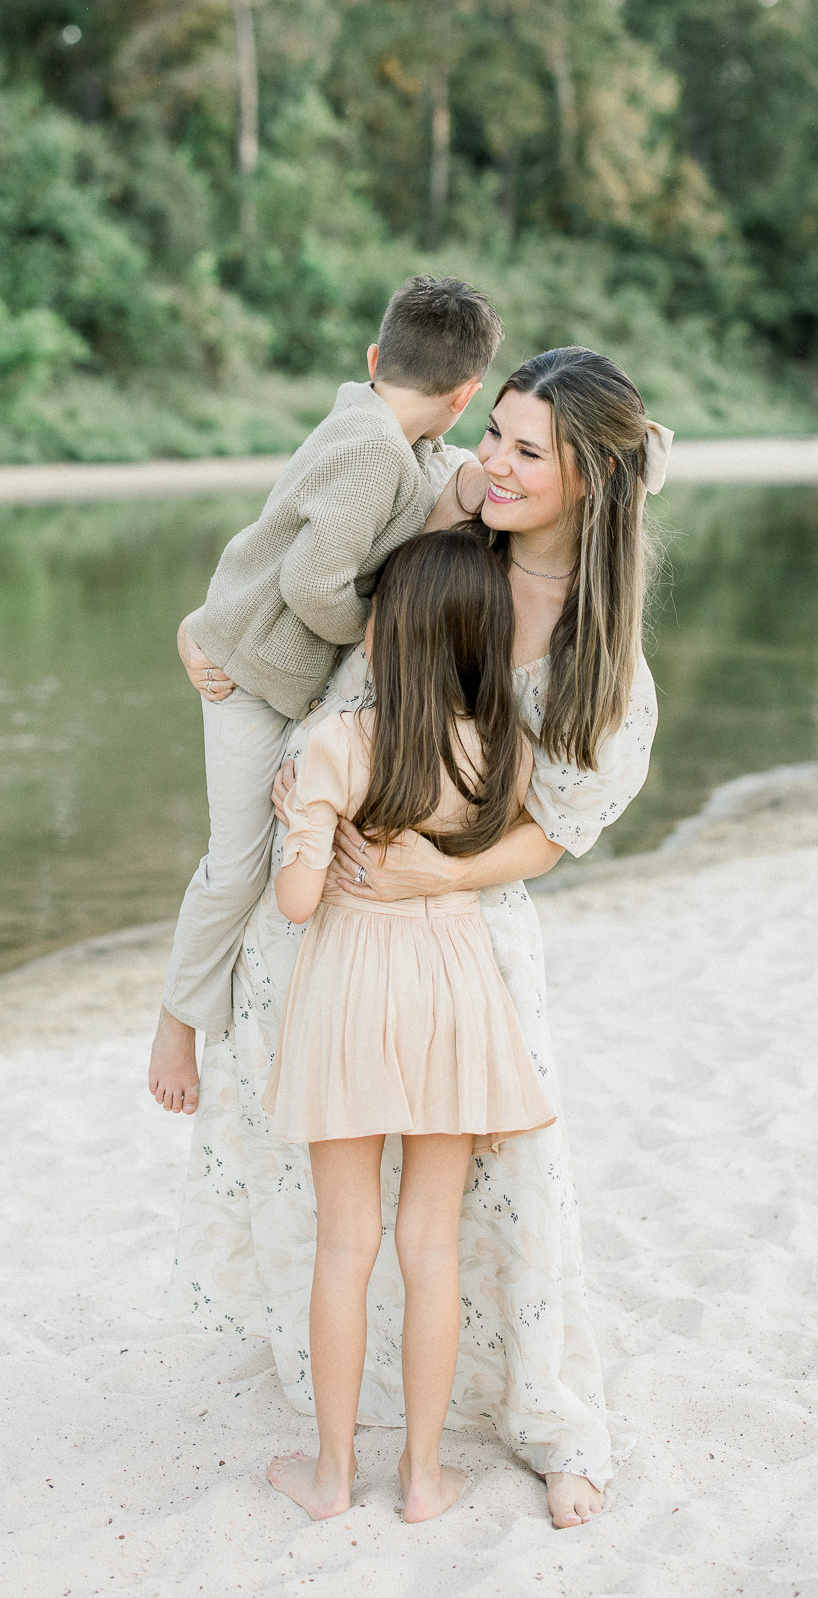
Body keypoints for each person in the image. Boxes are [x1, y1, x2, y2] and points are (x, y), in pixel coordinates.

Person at [163, 346, 672, 1531]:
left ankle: (537, 1413)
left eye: (527, 450)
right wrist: (212, 641)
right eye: (493, 431)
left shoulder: (598, 650)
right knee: (350, 1209)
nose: (492, 462)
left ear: (592, 477)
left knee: (506, 1193)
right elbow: (298, 572)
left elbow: (555, 829)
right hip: (333, 912)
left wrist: (436, 869)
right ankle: (376, 1423)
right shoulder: (446, 521)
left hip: (457, 930)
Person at [147, 277, 502, 1120]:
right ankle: (175, 1019)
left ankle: (232, 1011)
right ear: (464, 394)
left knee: (274, 843)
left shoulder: (383, 434)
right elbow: (311, 584)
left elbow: (433, 473)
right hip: (245, 678)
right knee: (237, 863)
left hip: (263, 664)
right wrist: (375, 633)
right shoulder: (372, 451)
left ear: (376, 357)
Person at [263, 528, 554, 1523]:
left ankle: (333, 1474)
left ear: (386, 633)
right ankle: (423, 1477)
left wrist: (298, 818)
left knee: (344, 1243)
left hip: (352, 983)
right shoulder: (501, 747)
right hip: (454, 986)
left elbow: (297, 900)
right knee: (431, 1245)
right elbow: (528, 844)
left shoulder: (338, 742)